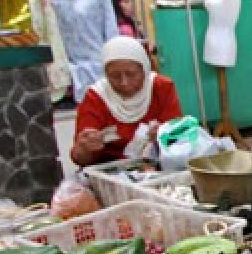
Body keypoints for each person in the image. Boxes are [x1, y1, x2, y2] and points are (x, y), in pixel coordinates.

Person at [71, 36, 182, 166]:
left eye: (131, 74)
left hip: (159, 164)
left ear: (144, 69)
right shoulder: (96, 97)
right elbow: (80, 159)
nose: (124, 82)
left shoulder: (162, 88)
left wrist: (164, 137)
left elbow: (180, 141)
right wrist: (84, 148)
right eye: (115, 76)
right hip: (110, 170)